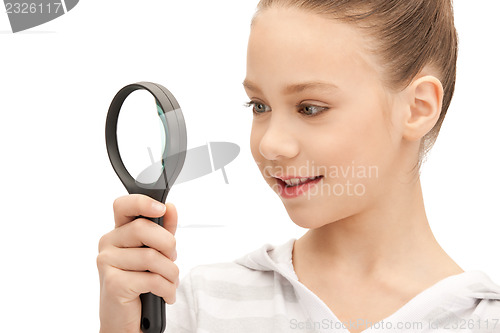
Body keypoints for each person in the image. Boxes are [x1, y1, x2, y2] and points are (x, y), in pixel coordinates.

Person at [97, 1, 500, 332]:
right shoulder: (199, 304)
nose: (271, 144)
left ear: (417, 108)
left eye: (310, 108)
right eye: (260, 106)